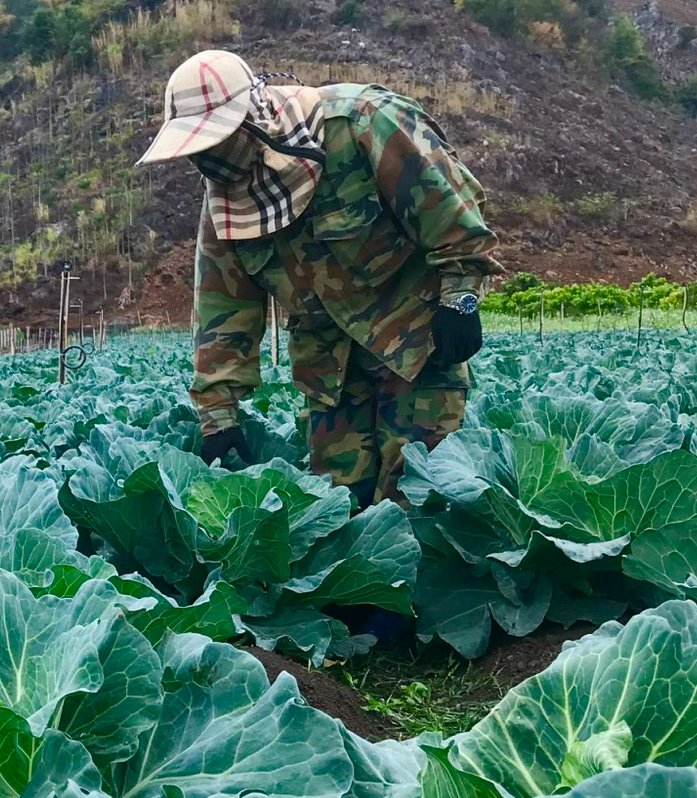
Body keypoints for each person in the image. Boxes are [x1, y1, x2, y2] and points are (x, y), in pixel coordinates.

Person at [136, 50, 497, 507]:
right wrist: (218, 416)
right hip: (329, 374)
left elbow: (454, 215)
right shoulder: (225, 207)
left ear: (250, 119)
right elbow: (222, 310)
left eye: (214, 142)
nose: (207, 160)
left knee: (420, 499)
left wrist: (460, 300)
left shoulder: (364, 124)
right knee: (338, 511)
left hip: (416, 346)